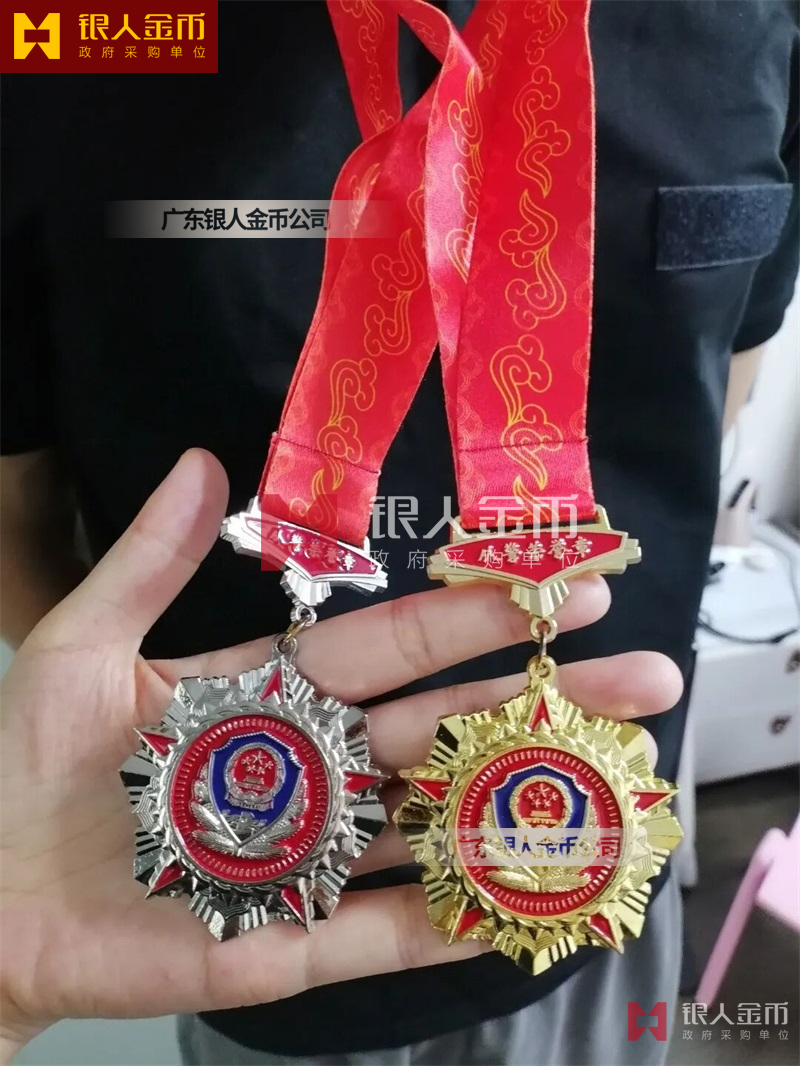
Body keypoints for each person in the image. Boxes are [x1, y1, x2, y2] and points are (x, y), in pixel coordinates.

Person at [1, 1, 797, 1064]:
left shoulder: (752, 20)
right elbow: (14, 508)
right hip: (227, 920)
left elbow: (723, 379)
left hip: (603, 851)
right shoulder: (62, 37)